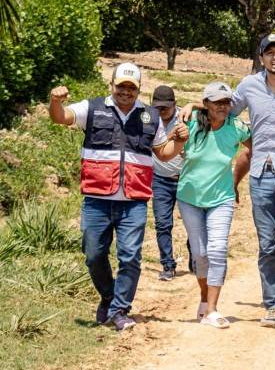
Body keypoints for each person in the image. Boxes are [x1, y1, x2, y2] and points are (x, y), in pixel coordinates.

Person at [185, 34, 275, 328]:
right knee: (269, 242)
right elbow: (220, 109)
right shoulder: (248, 86)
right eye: (268, 53)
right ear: (261, 58)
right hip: (261, 173)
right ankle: (271, 304)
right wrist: (192, 105)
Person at [48, 63, 188, 331]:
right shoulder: (92, 108)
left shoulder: (150, 116)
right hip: (97, 198)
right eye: (121, 86)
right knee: (93, 254)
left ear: (138, 90)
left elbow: (163, 152)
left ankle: (119, 309)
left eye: (131, 88)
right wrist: (55, 101)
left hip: (134, 200)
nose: (125, 92)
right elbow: (60, 117)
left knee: (130, 256)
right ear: (111, 85)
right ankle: (109, 296)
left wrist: (180, 141)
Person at [178, 82, 252, 328]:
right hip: (190, 198)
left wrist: (237, 179)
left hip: (222, 198)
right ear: (206, 104)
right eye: (217, 102)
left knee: (218, 250)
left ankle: (212, 309)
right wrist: (190, 106)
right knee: (200, 253)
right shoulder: (189, 122)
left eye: (227, 102)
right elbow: (172, 147)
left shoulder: (237, 127)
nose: (223, 106)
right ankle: (203, 297)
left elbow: (254, 148)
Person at [150, 85, 184, 281]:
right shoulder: (148, 120)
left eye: (166, 108)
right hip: (160, 179)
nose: (162, 111)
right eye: (158, 107)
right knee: (163, 223)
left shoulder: (186, 118)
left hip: (186, 179)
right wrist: (167, 139)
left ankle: (195, 259)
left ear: (175, 105)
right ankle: (167, 264)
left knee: (192, 223)